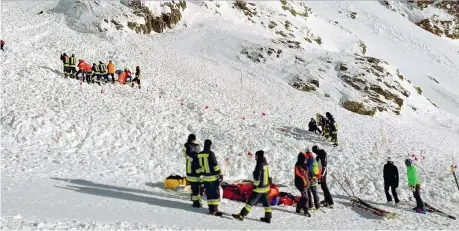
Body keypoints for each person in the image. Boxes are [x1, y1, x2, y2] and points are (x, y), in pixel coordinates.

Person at [232, 150, 272, 223]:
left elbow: (258, 177)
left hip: (259, 188)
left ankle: (241, 215)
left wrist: (255, 185)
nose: (255, 157)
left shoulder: (259, 164)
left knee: (250, 202)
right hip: (266, 187)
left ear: (259, 156)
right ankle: (268, 218)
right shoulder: (265, 162)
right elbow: (267, 174)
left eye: (256, 156)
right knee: (266, 203)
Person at [198, 139, 223, 216]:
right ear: (210, 145)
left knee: (209, 194)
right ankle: (214, 210)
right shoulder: (210, 153)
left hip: (205, 177)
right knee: (214, 194)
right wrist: (220, 173)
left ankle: (211, 209)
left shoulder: (200, 154)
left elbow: (200, 166)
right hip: (212, 177)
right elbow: (215, 165)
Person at [184, 134, 202, 208]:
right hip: (191, 169)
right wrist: (194, 159)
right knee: (195, 187)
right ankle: (196, 202)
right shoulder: (187, 146)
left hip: (196, 168)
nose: (194, 141)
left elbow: (199, 154)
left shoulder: (196, 145)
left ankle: (195, 200)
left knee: (195, 186)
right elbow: (187, 155)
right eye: (193, 139)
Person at [294, 152, 311, 217]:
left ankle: (298, 208)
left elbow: (306, 175)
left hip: (305, 184)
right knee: (305, 197)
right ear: (301, 159)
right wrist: (305, 170)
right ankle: (305, 211)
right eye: (305, 159)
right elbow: (301, 174)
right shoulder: (298, 165)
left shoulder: (304, 166)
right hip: (300, 184)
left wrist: (309, 181)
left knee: (304, 197)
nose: (306, 161)